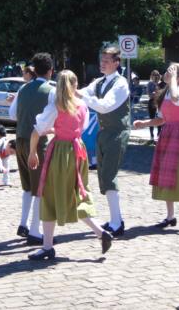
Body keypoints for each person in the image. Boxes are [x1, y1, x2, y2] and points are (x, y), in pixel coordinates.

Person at [27, 70, 113, 260]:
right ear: (75, 84)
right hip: (78, 151)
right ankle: (100, 232)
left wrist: (32, 153)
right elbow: (78, 129)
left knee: (49, 195)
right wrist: (56, 128)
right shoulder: (82, 105)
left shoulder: (56, 105)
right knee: (78, 193)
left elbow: (36, 131)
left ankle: (49, 246)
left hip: (60, 153)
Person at [134, 63, 179, 230]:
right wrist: (144, 123)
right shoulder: (166, 91)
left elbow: (176, 99)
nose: (166, 74)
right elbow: (161, 119)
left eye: (170, 72)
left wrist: (174, 79)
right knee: (166, 174)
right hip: (167, 133)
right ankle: (170, 216)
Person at [77, 46, 130, 238]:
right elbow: (84, 93)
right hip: (104, 132)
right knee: (104, 176)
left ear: (116, 63)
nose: (103, 63)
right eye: (102, 60)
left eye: (107, 61)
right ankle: (116, 219)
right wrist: (72, 91)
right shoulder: (100, 82)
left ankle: (117, 223)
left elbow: (105, 106)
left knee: (109, 176)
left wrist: (81, 95)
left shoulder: (121, 83)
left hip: (117, 132)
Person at [9, 53, 54, 245]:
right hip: (37, 143)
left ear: (34, 70)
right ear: (51, 71)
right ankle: (35, 232)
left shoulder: (23, 88)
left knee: (27, 186)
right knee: (40, 188)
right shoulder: (51, 91)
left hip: (20, 140)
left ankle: (23, 223)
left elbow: (12, 115)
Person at [146, 70, 163, 143]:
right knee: (152, 119)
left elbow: (163, 94)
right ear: (151, 76)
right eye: (154, 75)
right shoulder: (150, 84)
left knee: (159, 119)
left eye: (157, 75)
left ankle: (159, 135)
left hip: (160, 103)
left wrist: (156, 94)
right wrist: (155, 94)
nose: (155, 76)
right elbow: (149, 95)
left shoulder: (162, 84)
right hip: (152, 102)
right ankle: (151, 136)